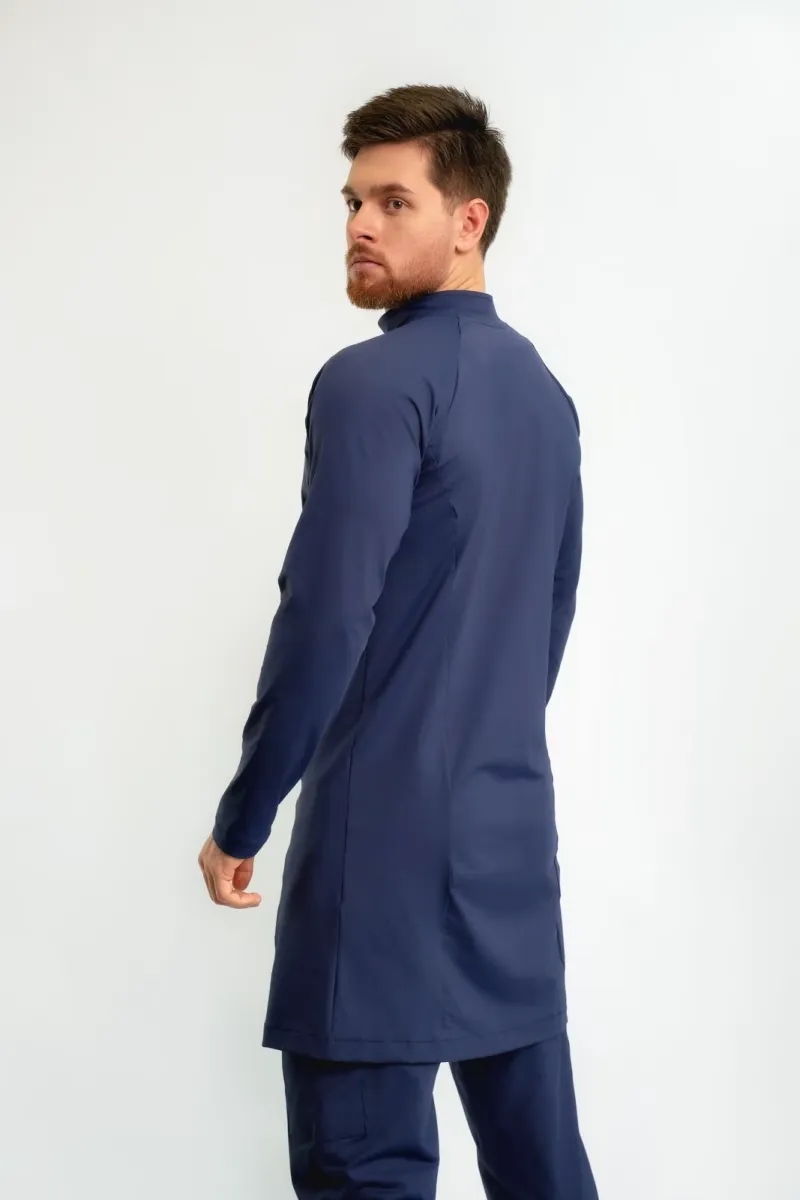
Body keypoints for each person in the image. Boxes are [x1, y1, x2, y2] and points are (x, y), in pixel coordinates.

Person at [198, 83, 598, 1199]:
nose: (360, 227)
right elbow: (549, 616)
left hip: (377, 849)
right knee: (541, 1170)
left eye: (392, 202)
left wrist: (245, 814)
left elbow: (325, 618)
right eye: (352, 202)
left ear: (468, 220)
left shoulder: (371, 383)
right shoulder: (545, 397)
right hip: (509, 837)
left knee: (361, 1171)